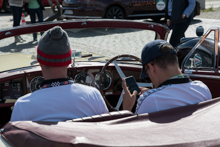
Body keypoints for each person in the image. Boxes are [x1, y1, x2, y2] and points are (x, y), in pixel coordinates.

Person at [10, 26, 109, 122]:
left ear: (40, 62)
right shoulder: (93, 96)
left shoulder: (22, 106)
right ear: (69, 61)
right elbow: (105, 132)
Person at [122, 39, 212, 114]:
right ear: (175, 61)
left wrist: (127, 109)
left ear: (151, 67)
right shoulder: (203, 89)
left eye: (146, 72)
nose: (149, 76)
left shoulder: (149, 100)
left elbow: (133, 133)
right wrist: (153, 92)